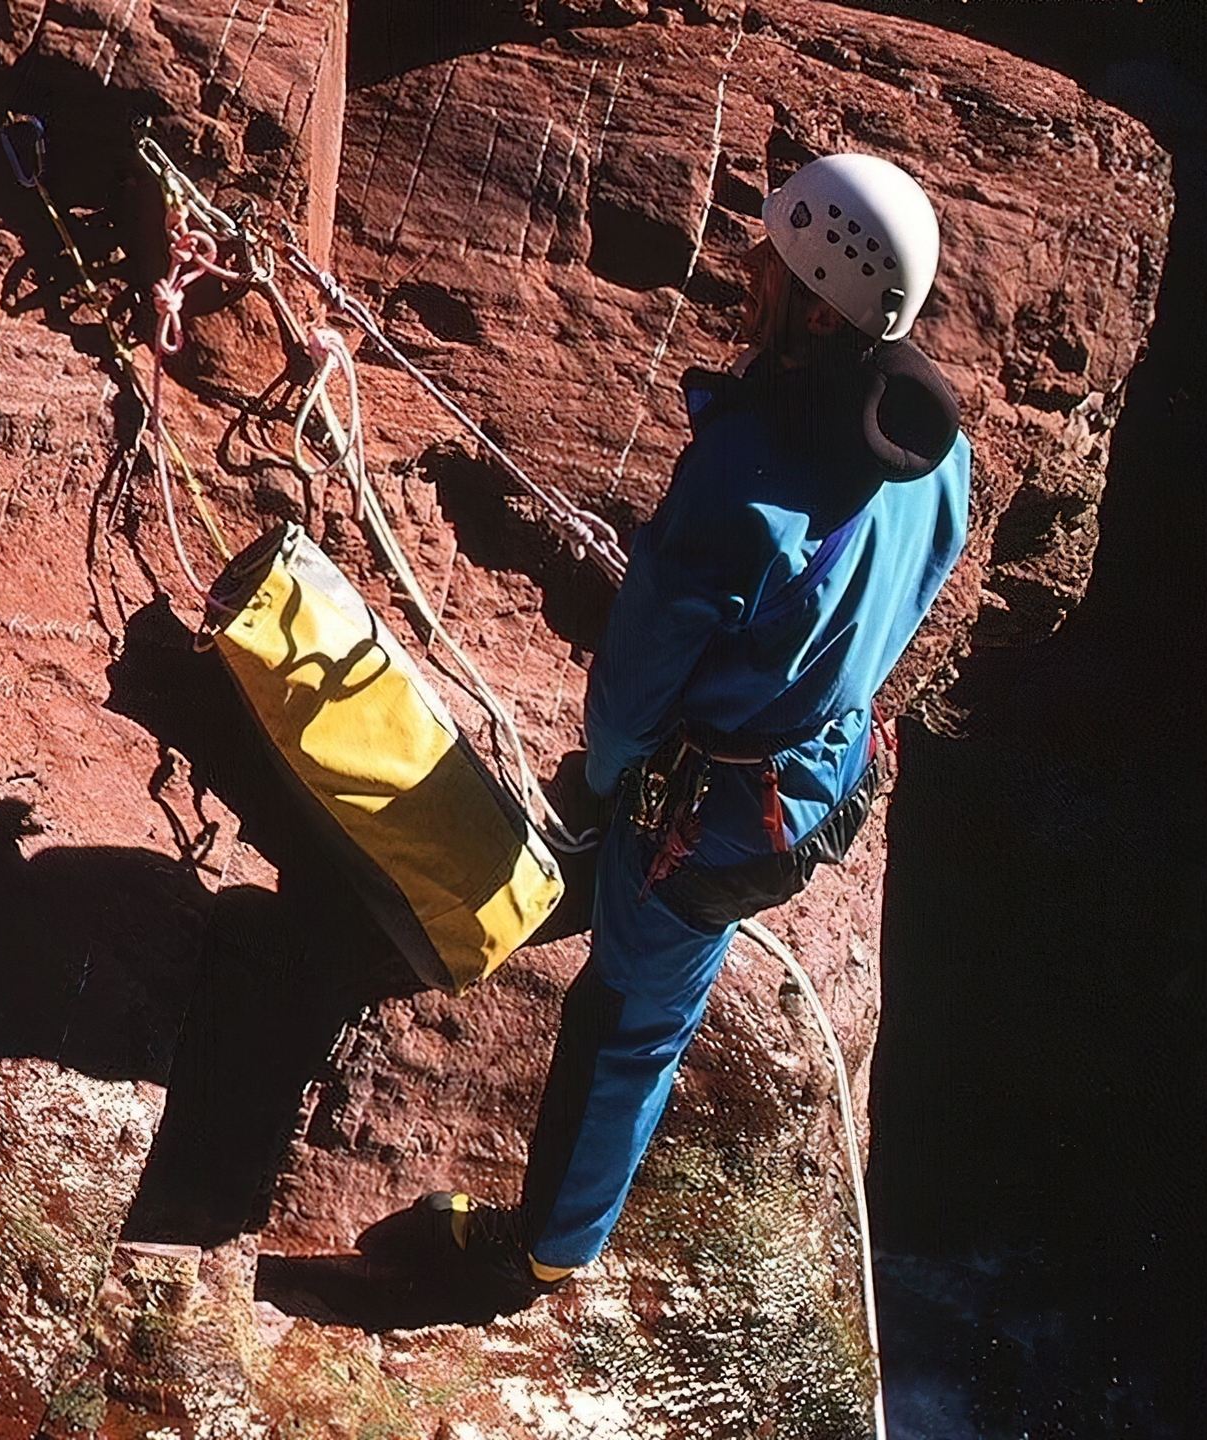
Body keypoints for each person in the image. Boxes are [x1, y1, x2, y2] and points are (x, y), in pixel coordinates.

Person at [426, 152, 972, 1309]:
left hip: (710, 816)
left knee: (627, 1016)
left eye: (772, 257)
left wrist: (602, 778)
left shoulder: (745, 472)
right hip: (823, 781)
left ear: (820, 299)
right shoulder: (939, 450)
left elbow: (635, 683)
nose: (749, 267)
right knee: (666, 981)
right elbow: (908, 588)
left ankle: (544, 1250)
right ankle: (567, 1219)